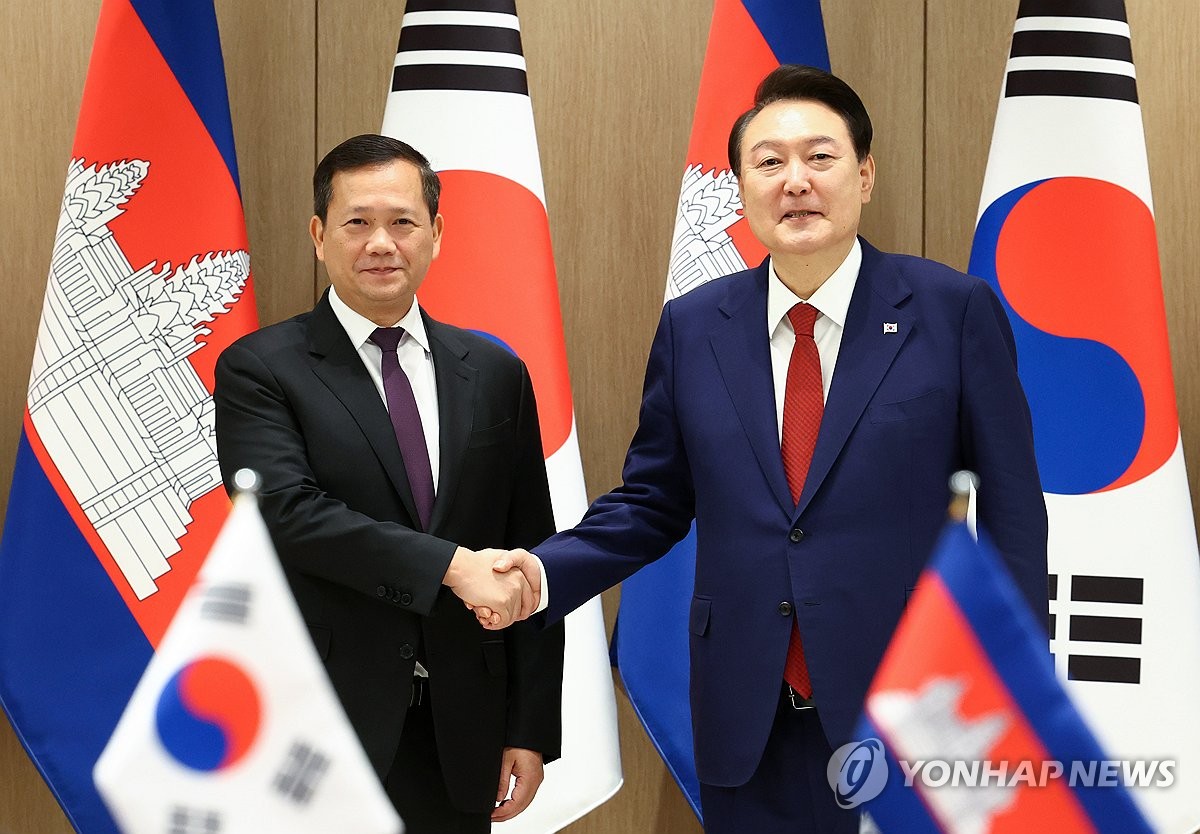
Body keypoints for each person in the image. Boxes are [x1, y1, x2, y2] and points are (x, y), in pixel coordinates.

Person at [488, 66, 1049, 832]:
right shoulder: (695, 326)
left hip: (913, 704)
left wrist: (1019, 674)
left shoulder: (949, 311)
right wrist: (545, 570)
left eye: (820, 158)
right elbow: (655, 498)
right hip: (747, 709)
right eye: (769, 162)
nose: (795, 182)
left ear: (866, 174)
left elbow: (1013, 507)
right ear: (743, 187)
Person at [213, 134, 564, 834]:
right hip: (320, 722)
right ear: (319, 235)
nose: (381, 243)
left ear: (435, 233)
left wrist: (529, 726)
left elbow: (530, 547)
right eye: (356, 222)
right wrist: (452, 568)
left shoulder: (495, 372)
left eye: (403, 222)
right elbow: (287, 513)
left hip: (463, 730)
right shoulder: (260, 368)